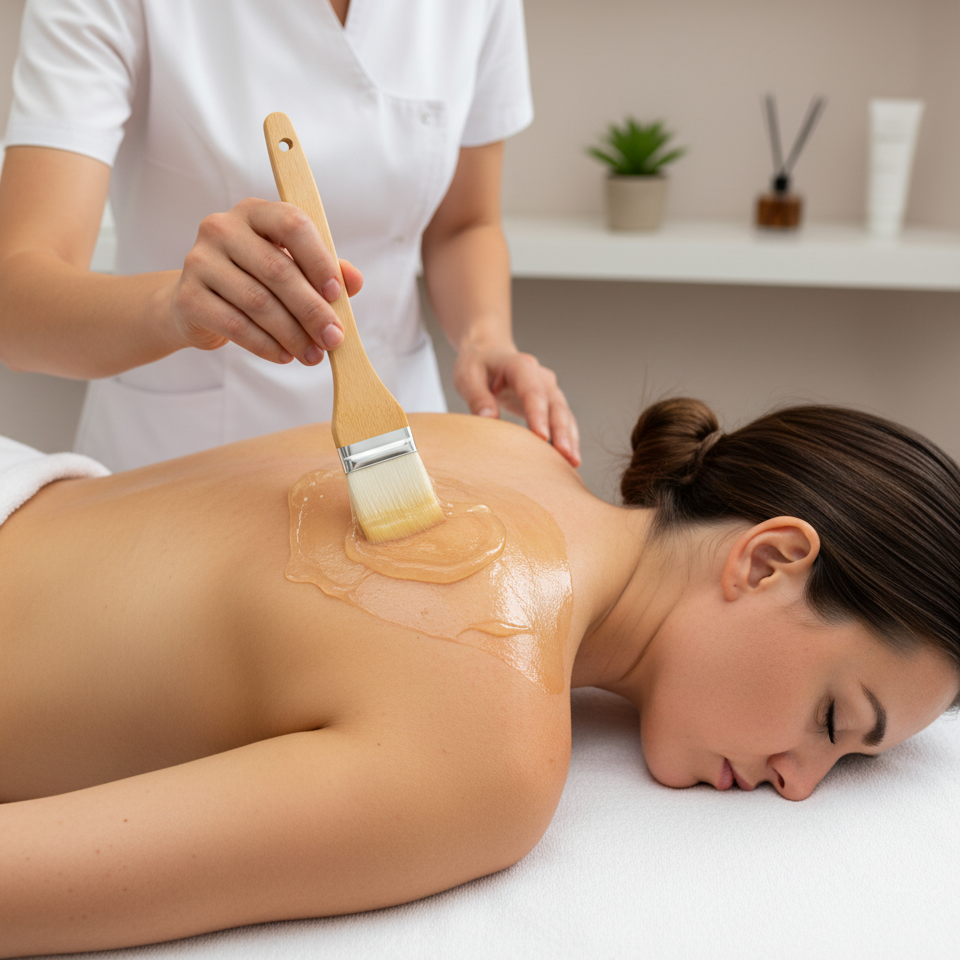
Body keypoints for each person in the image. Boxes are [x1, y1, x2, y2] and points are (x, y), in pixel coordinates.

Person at [1, 396, 958, 957]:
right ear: (766, 560)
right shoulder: (493, 756)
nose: (799, 781)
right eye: (837, 721)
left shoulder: (506, 447)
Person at [0, 0, 580, 471]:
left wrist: (485, 337)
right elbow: (16, 300)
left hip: (395, 440)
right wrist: (178, 304)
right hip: (180, 466)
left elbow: (464, 224)